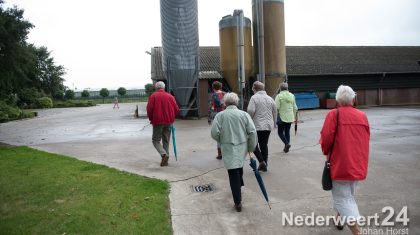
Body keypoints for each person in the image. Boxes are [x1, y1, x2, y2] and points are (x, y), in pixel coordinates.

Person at [320, 85, 370, 235]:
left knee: (342, 199)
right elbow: (366, 138)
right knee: (348, 193)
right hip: (358, 162)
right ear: (353, 99)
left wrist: (326, 151)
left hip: (340, 163)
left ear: (337, 100)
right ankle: (339, 219)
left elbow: (326, 139)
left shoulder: (334, 115)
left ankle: (357, 232)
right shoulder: (362, 115)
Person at [211, 92, 257, 212]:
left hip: (227, 146)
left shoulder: (220, 115)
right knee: (238, 167)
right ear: (237, 102)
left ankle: (237, 202)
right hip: (242, 146)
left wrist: (221, 140)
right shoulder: (244, 114)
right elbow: (252, 132)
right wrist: (251, 147)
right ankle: (239, 186)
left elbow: (214, 132)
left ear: (225, 103)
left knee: (233, 173)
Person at [146, 81, 179, 167]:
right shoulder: (170, 96)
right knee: (166, 140)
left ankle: (164, 154)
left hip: (157, 121)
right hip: (169, 121)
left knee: (156, 140)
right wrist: (171, 117)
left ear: (156, 88)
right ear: (163, 88)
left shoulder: (153, 96)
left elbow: (149, 109)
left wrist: (151, 119)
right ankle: (165, 161)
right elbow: (176, 109)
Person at [247, 81, 277, 172]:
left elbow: (251, 110)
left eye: (253, 88)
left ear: (254, 88)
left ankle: (261, 161)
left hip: (257, 125)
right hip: (268, 125)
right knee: (264, 144)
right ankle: (265, 164)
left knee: (253, 144)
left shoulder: (254, 98)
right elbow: (275, 111)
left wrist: (248, 121)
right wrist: (274, 123)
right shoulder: (270, 98)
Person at [274, 82, 298, 153]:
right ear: (287, 88)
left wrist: (275, 116)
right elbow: (295, 107)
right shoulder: (292, 95)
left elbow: (276, 107)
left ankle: (287, 144)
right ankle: (286, 146)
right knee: (287, 131)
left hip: (282, 117)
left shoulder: (279, 96)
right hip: (290, 116)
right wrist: (294, 116)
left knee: (280, 132)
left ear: (280, 88)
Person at [208, 81, 225, 159]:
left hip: (216, 114)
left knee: (218, 134)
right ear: (220, 87)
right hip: (225, 114)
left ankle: (220, 153)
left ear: (213, 87)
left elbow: (212, 107)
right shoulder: (224, 94)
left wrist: (209, 118)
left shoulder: (214, 95)